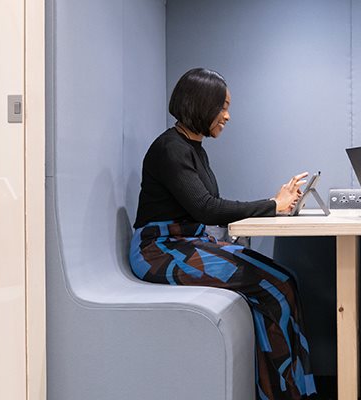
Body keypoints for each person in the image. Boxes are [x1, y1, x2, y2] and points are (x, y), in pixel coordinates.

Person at [129, 67, 316, 400]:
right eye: (222, 106)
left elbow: (207, 208)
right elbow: (207, 208)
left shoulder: (193, 148)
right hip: (158, 251)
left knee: (286, 279)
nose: (227, 116)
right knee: (278, 285)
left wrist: (274, 204)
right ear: (201, 104)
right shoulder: (170, 149)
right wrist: (273, 204)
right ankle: (287, 394)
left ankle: (286, 391)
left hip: (185, 243)